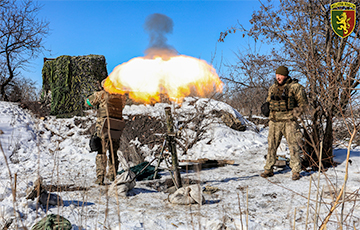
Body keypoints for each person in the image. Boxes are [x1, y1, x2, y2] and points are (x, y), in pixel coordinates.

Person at [261, 66, 308, 180]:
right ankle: (268, 169)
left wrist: (294, 114)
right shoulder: (273, 88)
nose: (278, 77)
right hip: (275, 121)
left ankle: (296, 170)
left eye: (281, 75)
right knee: (271, 146)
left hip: (289, 122)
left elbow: (303, 105)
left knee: (294, 146)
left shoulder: (295, 88)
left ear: (286, 75)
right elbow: (269, 101)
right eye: (277, 75)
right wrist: (266, 108)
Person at [85, 81, 126, 185]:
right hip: (116, 127)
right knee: (113, 152)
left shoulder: (101, 94)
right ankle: (112, 176)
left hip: (103, 126)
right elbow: (122, 107)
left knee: (101, 152)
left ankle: (100, 178)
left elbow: (88, 103)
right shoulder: (121, 96)